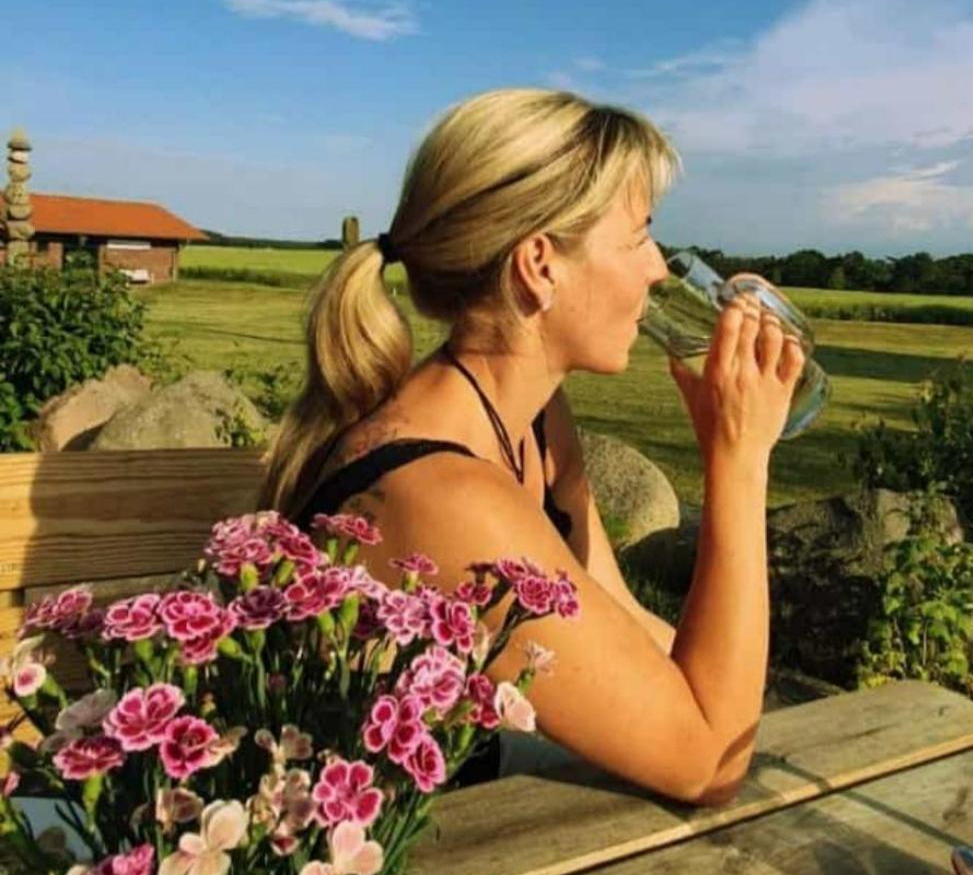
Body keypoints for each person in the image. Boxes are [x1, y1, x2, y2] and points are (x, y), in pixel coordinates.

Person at [259, 87, 803, 804]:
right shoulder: (446, 497)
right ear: (540, 265)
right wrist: (737, 460)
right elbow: (707, 763)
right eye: (639, 235)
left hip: (469, 835)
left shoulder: (537, 422)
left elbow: (628, 628)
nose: (660, 270)